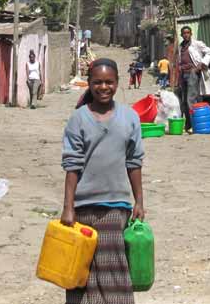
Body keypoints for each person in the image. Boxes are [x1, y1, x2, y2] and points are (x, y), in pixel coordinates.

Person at [61, 58, 145, 304]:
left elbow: (134, 162)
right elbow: (72, 165)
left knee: (113, 272)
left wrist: (139, 200)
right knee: (81, 273)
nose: (103, 87)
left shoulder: (130, 117)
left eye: (109, 82)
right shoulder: (78, 119)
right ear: (89, 84)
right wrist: (68, 208)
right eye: (97, 82)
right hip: (83, 208)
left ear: (118, 83)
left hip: (116, 206)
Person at [177, 27, 210, 133]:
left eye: (187, 33)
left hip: (192, 73)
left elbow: (209, 52)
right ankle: (189, 124)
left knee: (191, 99)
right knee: (185, 100)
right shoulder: (181, 46)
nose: (186, 35)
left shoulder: (196, 44)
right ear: (181, 35)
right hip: (183, 75)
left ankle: (195, 125)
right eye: (184, 33)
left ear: (191, 34)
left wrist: (202, 64)